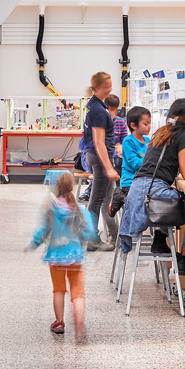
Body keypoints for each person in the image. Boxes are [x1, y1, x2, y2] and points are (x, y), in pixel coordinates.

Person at [118, 98, 185, 277]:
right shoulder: (182, 136)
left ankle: (161, 238)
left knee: (172, 198)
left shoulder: (161, 133)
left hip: (137, 190)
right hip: (154, 194)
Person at [28, 172, 88, 340]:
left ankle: (59, 322)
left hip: (56, 257)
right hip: (75, 256)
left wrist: (33, 243)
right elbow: (85, 229)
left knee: (58, 290)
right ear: (72, 188)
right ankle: (79, 325)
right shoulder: (77, 209)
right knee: (77, 291)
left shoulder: (52, 209)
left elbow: (44, 230)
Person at [81, 71, 119, 251]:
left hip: (95, 155)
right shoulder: (97, 110)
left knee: (106, 198)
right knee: (96, 199)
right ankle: (91, 239)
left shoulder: (96, 105)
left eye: (111, 85)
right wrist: (108, 167)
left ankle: (113, 235)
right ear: (96, 88)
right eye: (106, 87)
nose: (110, 89)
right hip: (99, 157)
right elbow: (98, 142)